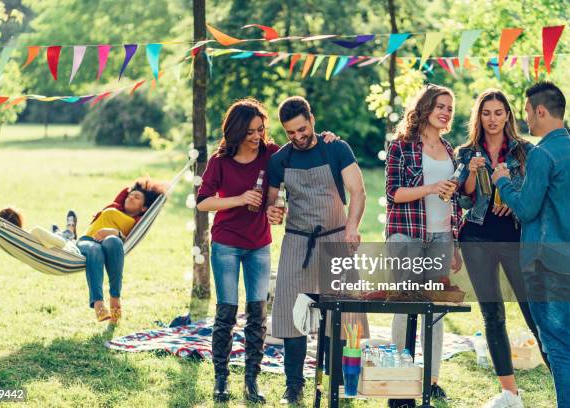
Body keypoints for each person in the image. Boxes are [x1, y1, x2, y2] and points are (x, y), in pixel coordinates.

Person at [197, 98, 339, 404]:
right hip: (226, 243)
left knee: (257, 315)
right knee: (226, 313)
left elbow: (302, 156)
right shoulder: (219, 161)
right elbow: (203, 202)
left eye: (261, 129)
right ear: (235, 131)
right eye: (250, 131)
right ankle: (221, 380)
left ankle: (252, 381)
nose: (257, 136)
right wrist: (238, 199)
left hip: (259, 244)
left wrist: (329, 137)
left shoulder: (272, 155)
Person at [266, 96, 368, 405]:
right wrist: (273, 211)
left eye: (302, 129)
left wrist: (352, 227)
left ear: (312, 119)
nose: (297, 137)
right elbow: (272, 201)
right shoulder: (280, 160)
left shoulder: (336, 148)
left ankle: (336, 381)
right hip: (298, 241)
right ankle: (294, 387)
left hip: (337, 238)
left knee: (344, 311)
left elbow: (358, 191)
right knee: (291, 314)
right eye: (290, 133)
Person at [456, 89, 548, 408]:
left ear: (508, 115)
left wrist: (512, 195)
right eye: (486, 113)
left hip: (514, 239)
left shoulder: (525, 151)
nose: (492, 119)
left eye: (498, 112)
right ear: (478, 117)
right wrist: (471, 173)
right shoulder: (467, 152)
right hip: (477, 238)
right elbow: (465, 200)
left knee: (533, 310)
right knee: (492, 314)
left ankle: (562, 381)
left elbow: (532, 198)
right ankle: (511, 394)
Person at [492, 81, 570, 408]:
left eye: (526, 112)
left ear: (540, 110)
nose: (526, 120)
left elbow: (525, 209)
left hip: (545, 263)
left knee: (557, 348)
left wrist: (503, 183)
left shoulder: (543, 153)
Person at [384, 84, 463, 408]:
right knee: (404, 307)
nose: (445, 112)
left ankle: (431, 381)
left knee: (436, 310)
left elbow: (454, 200)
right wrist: (430, 187)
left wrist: (454, 242)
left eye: (449, 108)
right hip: (407, 235)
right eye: (440, 106)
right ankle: (400, 383)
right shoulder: (401, 146)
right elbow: (393, 193)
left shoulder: (450, 150)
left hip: (441, 237)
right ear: (426, 107)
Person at [77, 177, 165, 324]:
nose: (131, 197)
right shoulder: (117, 206)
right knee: (95, 250)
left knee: (114, 241)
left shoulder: (137, 222)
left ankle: (115, 298)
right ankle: (99, 304)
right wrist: (137, 189)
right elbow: (126, 191)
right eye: (131, 195)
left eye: (137, 197)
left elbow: (126, 237)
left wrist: (115, 232)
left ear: (144, 208)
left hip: (111, 244)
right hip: (87, 242)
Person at [0, 207, 81, 255]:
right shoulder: (36, 232)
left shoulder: (7, 241)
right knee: (63, 236)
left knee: (54, 234)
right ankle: (70, 230)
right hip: (69, 249)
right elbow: (62, 243)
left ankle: (57, 233)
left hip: (48, 249)